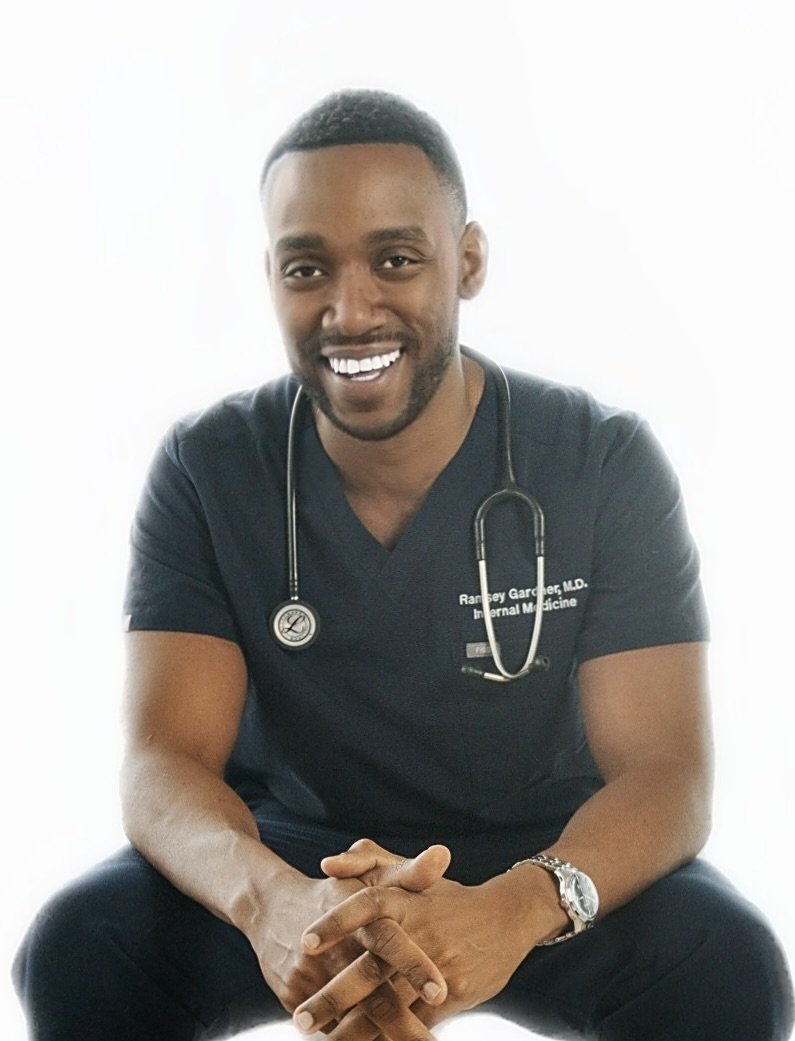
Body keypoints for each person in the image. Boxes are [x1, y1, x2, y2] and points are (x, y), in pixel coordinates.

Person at [13, 89, 793, 1041]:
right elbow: (164, 761)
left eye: (395, 258)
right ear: (269, 277)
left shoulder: (598, 459)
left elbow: (665, 770)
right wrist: (276, 906)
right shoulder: (210, 466)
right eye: (307, 267)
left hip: (535, 851)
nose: (350, 309)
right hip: (291, 853)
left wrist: (512, 908)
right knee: (82, 944)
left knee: (724, 964)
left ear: (465, 261)